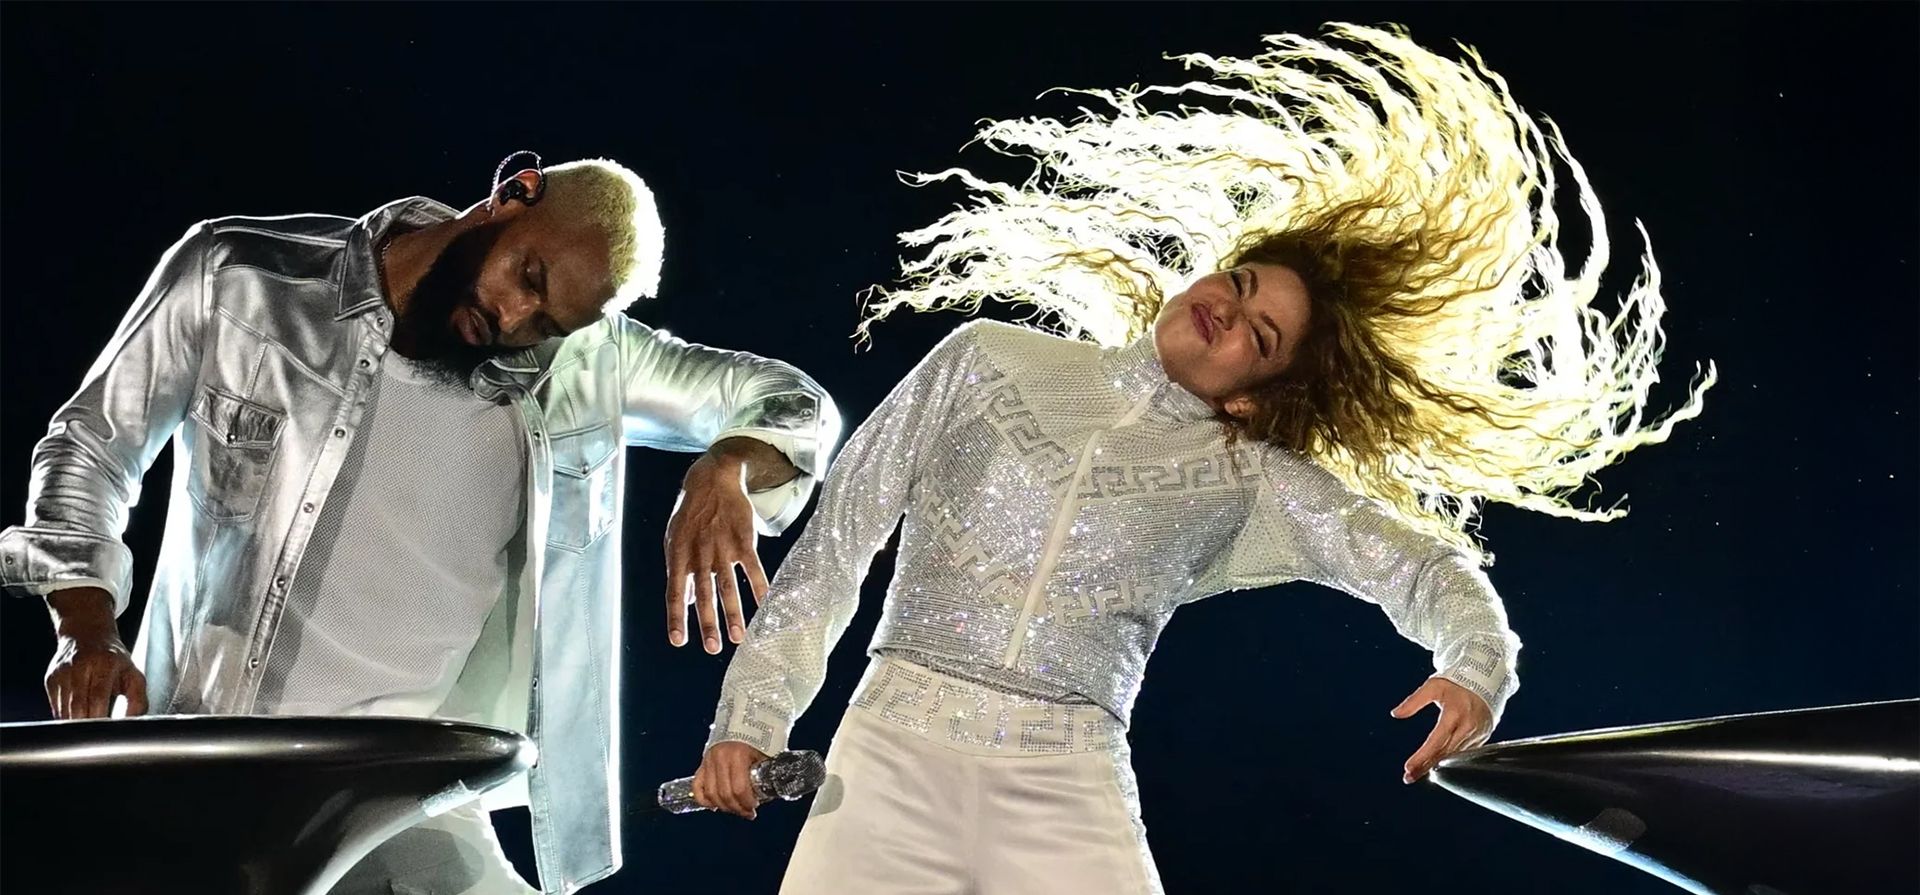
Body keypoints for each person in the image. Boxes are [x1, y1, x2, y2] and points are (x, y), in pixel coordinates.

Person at [690, 24, 1714, 893]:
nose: (1228, 308)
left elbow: (1428, 566)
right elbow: (837, 550)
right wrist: (750, 716)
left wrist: (1477, 667)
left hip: (1066, 789)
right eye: (1242, 280)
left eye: (1258, 335)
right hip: (886, 765)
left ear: (1256, 393)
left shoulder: (1251, 479)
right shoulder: (986, 361)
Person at [0, 153, 841, 894]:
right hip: (214, 759)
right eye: (529, 279)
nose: (514, 321)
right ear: (514, 192)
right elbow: (92, 443)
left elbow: (795, 404)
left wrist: (724, 463)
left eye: (549, 324)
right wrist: (85, 627)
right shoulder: (240, 275)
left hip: (408, 791)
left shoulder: (580, 365)